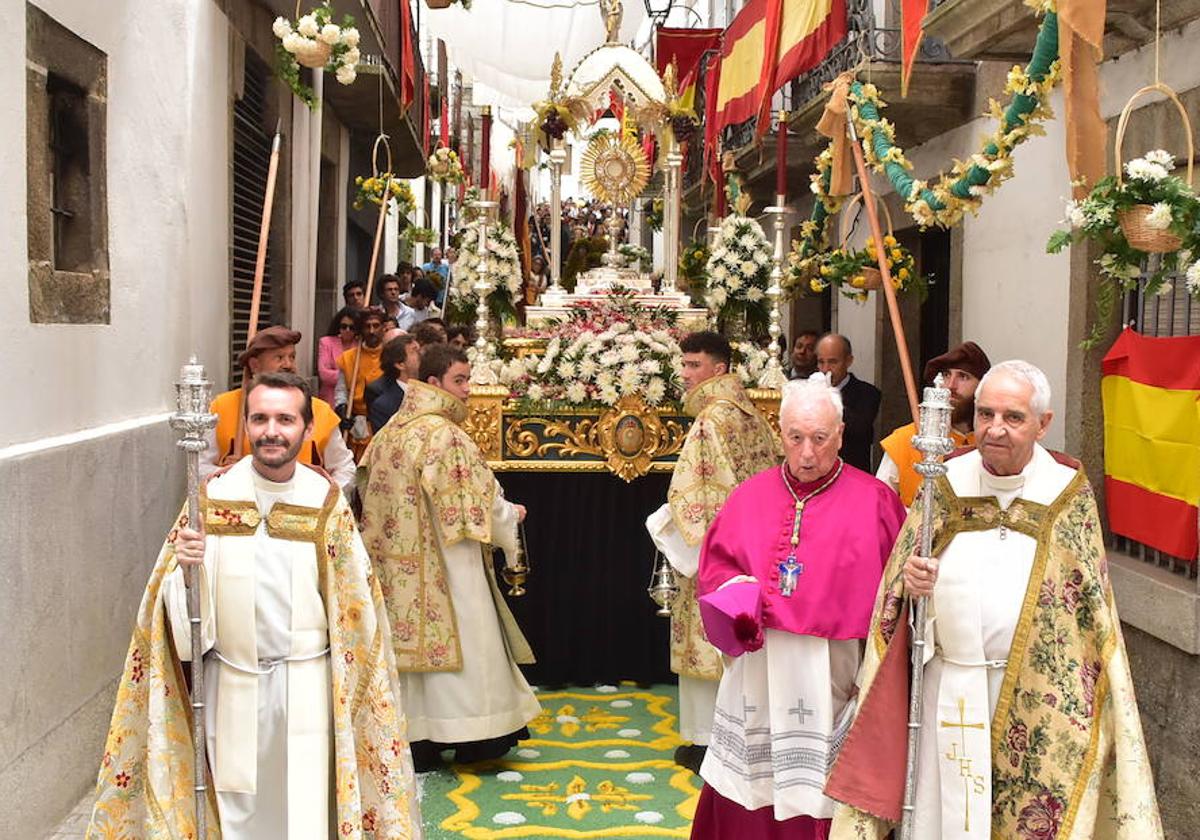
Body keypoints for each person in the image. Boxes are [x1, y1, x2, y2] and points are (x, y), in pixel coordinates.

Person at [826, 360, 1162, 840]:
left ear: (1043, 424)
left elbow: (1086, 615)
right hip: (947, 686)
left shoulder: (1065, 493)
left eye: (1013, 417)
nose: (994, 429)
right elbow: (894, 604)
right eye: (985, 415)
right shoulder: (943, 482)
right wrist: (916, 591)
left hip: (1031, 696)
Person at [87, 372, 421, 838]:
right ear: (245, 426)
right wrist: (185, 572)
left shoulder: (324, 502)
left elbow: (357, 612)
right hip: (232, 684)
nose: (271, 431)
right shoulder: (211, 497)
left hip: (309, 687)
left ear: (308, 429)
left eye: (285, 419)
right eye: (260, 418)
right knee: (236, 813)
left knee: (304, 813)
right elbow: (177, 628)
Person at [689, 374, 906, 839]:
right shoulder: (749, 497)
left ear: (842, 435)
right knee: (754, 783)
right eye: (795, 438)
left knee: (823, 787)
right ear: (780, 433)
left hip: (833, 670)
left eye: (820, 439)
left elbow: (898, 595)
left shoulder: (876, 502)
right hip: (761, 667)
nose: (807, 453)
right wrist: (739, 600)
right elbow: (715, 568)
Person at [358, 345, 541, 772]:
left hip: (395, 566)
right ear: (434, 383)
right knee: (467, 641)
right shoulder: (445, 434)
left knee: (409, 657)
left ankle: (416, 738)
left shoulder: (388, 434)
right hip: (449, 563)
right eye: (460, 380)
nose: (468, 390)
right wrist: (508, 517)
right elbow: (474, 503)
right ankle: (471, 734)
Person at [645, 331, 779, 774]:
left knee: (707, 637)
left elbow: (693, 494)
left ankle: (706, 741)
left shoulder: (709, 421)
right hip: (754, 546)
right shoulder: (751, 415)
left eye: (693, 365)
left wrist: (666, 526)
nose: (684, 375)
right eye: (683, 365)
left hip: (717, 550)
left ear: (718, 369)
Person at [202, 325, 355, 495]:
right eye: (279, 357)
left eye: (292, 357)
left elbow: (345, 468)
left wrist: (323, 498)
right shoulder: (221, 407)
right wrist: (228, 476)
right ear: (255, 365)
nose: (288, 365)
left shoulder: (320, 411)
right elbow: (200, 466)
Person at [876, 341, 991, 506]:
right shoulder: (907, 439)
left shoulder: (991, 443)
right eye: (946, 375)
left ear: (982, 387)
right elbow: (880, 507)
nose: (951, 386)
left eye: (963, 376)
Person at [816, 333, 880, 472]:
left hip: (851, 471)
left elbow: (860, 428)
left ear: (848, 361)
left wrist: (828, 397)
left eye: (833, 362)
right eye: (821, 362)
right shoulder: (809, 391)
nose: (826, 369)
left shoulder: (867, 393)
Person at [335, 307, 386, 459]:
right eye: (367, 326)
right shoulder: (349, 358)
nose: (371, 331)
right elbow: (341, 391)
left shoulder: (391, 357)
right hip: (356, 423)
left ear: (383, 328)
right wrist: (341, 408)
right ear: (361, 330)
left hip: (383, 423)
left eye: (376, 326)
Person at [366, 334, 420, 433]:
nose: (422, 354)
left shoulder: (433, 390)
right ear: (400, 364)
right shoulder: (384, 406)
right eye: (415, 351)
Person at [317, 306, 359, 404]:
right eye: (344, 326)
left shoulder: (360, 345)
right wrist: (350, 377)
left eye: (352, 327)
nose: (347, 330)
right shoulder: (326, 342)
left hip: (354, 400)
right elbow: (324, 374)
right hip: (330, 400)